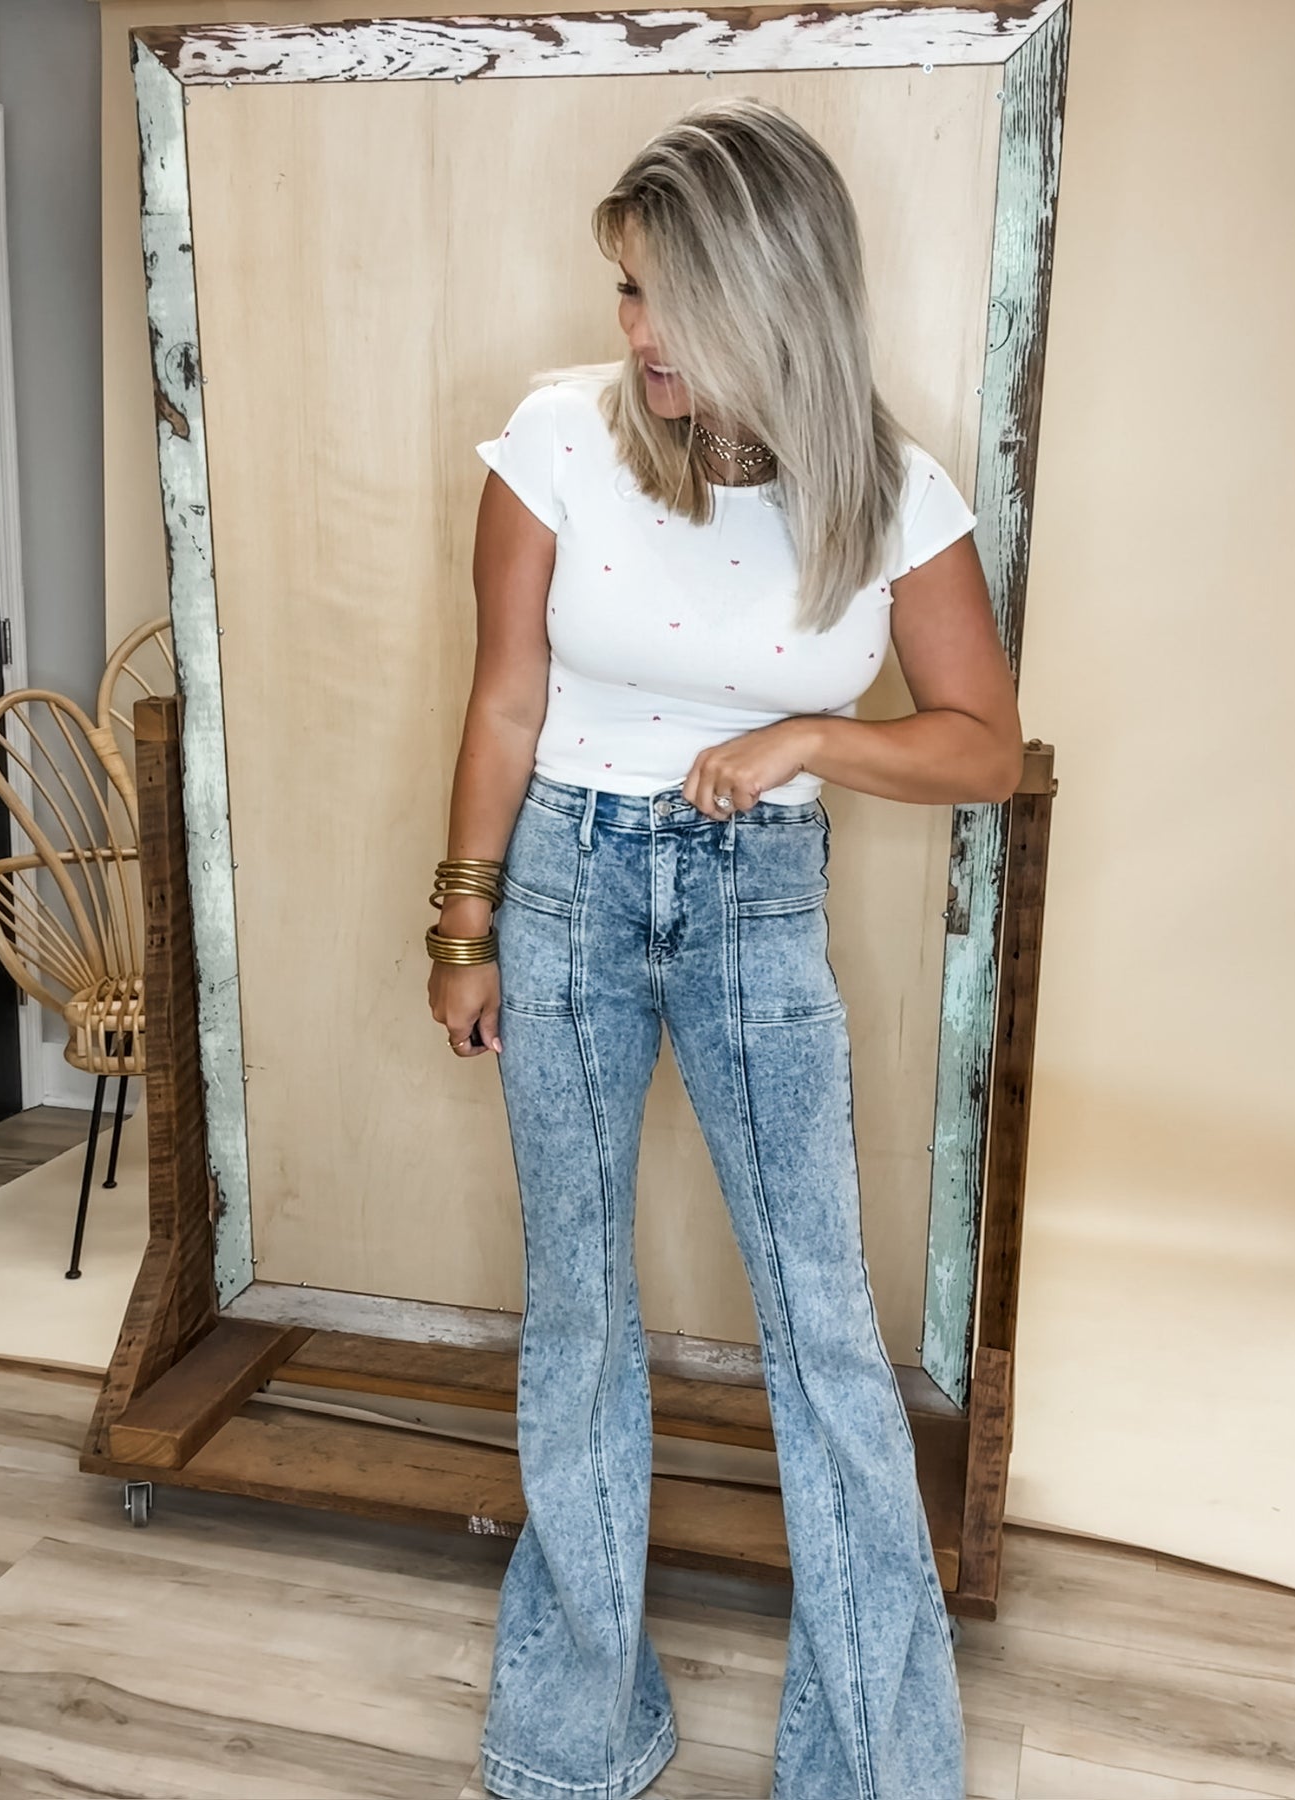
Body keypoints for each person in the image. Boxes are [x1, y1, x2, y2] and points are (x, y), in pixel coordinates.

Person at [427, 95, 1021, 1800]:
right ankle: (574, 1734)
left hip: (756, 899)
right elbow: (504, 697)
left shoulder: (891, 495)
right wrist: (461, 918)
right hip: (563, 891)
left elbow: (982, 747)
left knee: (821, 1330)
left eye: (670, 295)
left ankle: (873, 1767)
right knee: (578, 1312)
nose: (638, 331)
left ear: (773, 292)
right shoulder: (558, 436)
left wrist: (811, 741)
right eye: (626, 289)